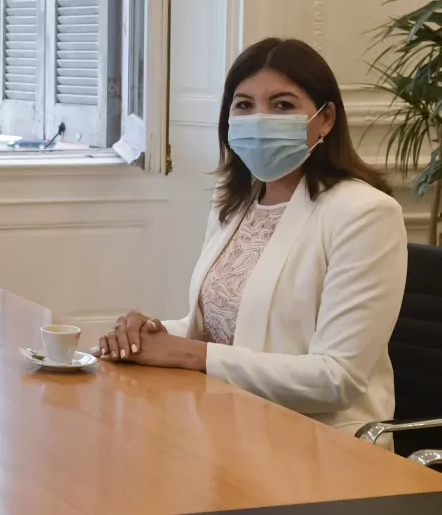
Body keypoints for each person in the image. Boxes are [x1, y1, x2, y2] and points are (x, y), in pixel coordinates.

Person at [96, 38, 406, 440]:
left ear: (326, 118)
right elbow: (225, 332)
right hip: (228, 424)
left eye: (282, 105)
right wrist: (150, 335)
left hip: (322, 448)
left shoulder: (365, 214)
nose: (260, 118)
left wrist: (187, 353)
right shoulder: (235, 205)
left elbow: (338, 377)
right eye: (243, 105)